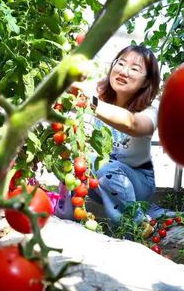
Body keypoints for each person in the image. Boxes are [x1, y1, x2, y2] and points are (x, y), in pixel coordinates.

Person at [66, 45, 162, 228]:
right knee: (80, 160)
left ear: (145, 82)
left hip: (138, 182)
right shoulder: (99, 95)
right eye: (121, 63)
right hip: (103, 182)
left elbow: (133, 124)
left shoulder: (151, 109)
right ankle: (69, 215)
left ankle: (137, 225)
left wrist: (90, 101)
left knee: (107, 167)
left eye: (135, 69)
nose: (124, 72)